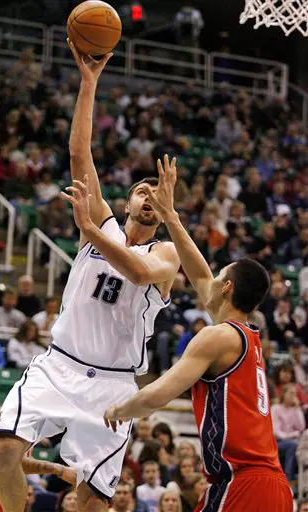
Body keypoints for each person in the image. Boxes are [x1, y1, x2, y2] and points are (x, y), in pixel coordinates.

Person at [0, 44, 179, 512]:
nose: (148, 196)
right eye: (141, 189)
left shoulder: (166, 252)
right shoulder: (105, 223)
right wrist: (89, 82)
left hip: (113, 387)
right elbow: (79, 152)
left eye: (156, 193)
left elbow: (136, 270)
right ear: (129, 201)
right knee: (4, 447)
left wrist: (90, 230)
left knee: (92, 501)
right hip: (59, 365)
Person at [104, 156, 293, 511]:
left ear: (228, 288)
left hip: (244, 483)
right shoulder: (245, 336)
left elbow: (159, 394)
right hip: (269, 485)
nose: (212, 277)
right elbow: (201, 276)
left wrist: (119, 408)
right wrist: (171, 216)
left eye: (220, 273)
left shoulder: (216, 337)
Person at [0, 408, 76, 512]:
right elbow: (10, 462)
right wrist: (60, 470)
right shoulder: (11, 413)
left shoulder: (27, 420)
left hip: (4, 496)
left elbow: (20, 462)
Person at [271, 384, 306, 485]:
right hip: (277, 442)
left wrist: (297, 408)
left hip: (294, 440)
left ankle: (302, 482)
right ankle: (288, 479)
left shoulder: (295, 409)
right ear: (283, 394)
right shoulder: (276, 408)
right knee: (293, 444)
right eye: (290, 393)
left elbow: (301, 427)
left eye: (295, 394)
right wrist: (293, 435)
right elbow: (276, 432)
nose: (293, 396)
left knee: (300, 445)